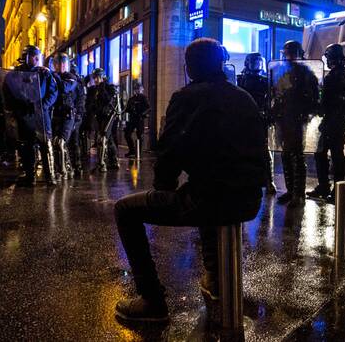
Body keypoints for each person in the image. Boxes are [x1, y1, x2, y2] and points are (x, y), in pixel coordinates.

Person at [113, 38, 267, 323]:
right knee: (206, 190)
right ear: (221, 63)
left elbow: (170, 153)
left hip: (212, 199)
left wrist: (162, 190)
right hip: (249, 201)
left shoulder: (186, 98)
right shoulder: (244, 98)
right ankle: (217, 280)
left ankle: (151, 301)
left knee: (125, 209)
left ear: (189, 67)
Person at [270, 40, 320, 207]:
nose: (289, 56)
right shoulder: (280, 71)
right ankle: (290, 190)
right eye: (287, 53)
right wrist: (273, 112)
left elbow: (314, 98)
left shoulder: (306, 72)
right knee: (285, 155)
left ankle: (299, 194)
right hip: (283, 118)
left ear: (299, 54)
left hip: (297, 119)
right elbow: (275, 95)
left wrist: (304, 113)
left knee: (297, 156)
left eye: (292, 53)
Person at [7, 45, 58, 186]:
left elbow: (53, 93)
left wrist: (43, 106)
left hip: (41, 114)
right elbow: (11, 93)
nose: (33, 59)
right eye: (31, 56)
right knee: (27, 146)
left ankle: (50, 176)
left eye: (35, 56)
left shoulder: (45, 73)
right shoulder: (17, 73)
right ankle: (30, 176)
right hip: (26, 115)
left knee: (46, 144)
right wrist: (19, 109)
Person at [307, 44, 345, 201]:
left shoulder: (338, 75)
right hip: (333, 120)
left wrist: (321, 108)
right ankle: (325, 186)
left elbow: (335, 100)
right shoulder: (339, 73)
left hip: (335, 120)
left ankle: (337, 190)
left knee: (335, 156)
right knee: (322, 153)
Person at [237, 52, 277, 194]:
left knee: (265, 151)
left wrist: (270, 113)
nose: (257, 64)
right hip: (245, 119)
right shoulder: (240, 79)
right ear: (248, 63)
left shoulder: (265, 80)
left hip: (261, 118)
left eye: (259, 61)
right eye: (254, 61)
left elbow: (272, 99)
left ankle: (269, 180)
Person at [51, 53, 78, 180]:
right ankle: (64, 166)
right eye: (57, 63)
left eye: (62, 63)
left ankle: (63, 171)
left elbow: (64, 87)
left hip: (68, 115)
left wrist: (54, 76)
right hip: (56, 114)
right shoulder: (53, 76)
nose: (59, 65)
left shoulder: (70, 77)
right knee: (55, 142)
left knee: (61, 142)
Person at [89, 68, 120, 172]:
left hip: (109, 116)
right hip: (100, 117)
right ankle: (114, 160)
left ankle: (101, 164)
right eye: (94, 78)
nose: (96, 80)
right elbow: (93, 104)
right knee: (108, 139)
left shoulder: (109, 87)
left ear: (102, 77)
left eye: (97, 77)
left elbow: (108, 100)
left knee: (103, 138)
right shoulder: (95, 89)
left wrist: (102, 88)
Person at [68, 61, 86, 177]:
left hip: (75, 115)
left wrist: (78, 115)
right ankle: (73, 165)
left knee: (74, 141)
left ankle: (77, 166)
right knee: (72, 141)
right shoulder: (72, 81)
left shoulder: (78, 83)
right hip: (72, 115)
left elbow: (81, 100)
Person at [124, 82, 150, 158]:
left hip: (139, 119)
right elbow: (127, 109)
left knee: (140, 136)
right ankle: (132, 150)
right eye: (136, 89)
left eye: (138, 89)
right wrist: (129, 109)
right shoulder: (131, 99)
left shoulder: (143, 98)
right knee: (127, 133)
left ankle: (138, 153)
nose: (137, 90)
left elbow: (148, 108)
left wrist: (142, 114)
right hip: (132, 119)